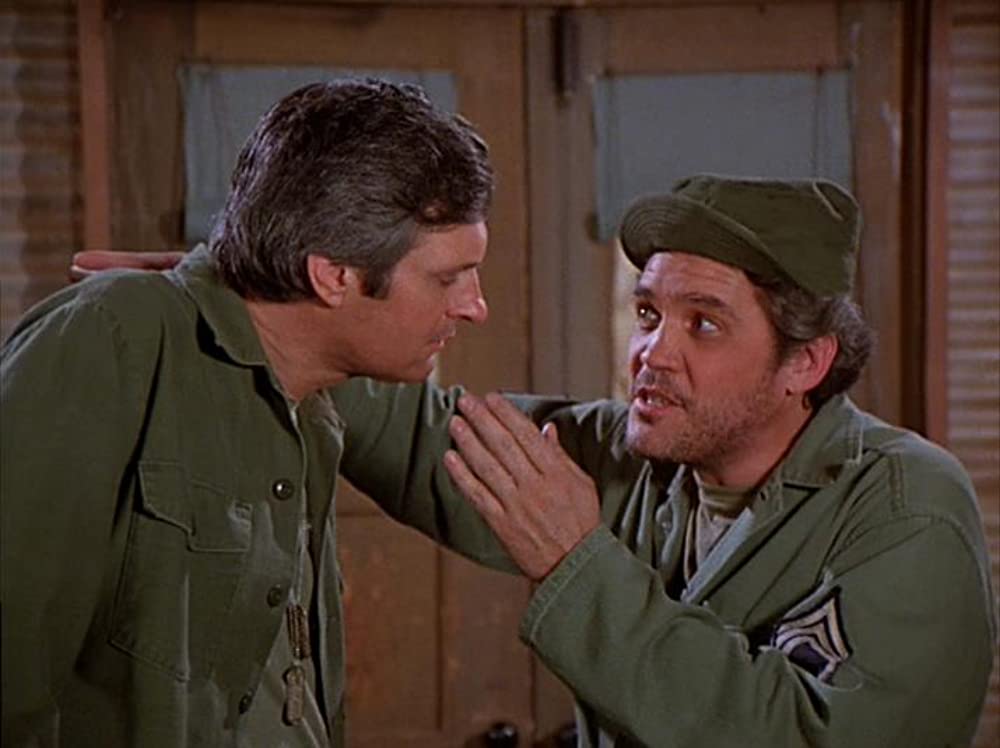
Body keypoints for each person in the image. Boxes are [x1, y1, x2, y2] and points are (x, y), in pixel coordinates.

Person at [53, 172, 997, 745]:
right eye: (649, 312)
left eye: (703, 324)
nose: (652, 353)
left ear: (806, 363)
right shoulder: (640, 457)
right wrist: (259, 306)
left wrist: (578, 561)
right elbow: (427, 433)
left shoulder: (904, 507)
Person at [1, 78, 496, 746]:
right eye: (447, 278)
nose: (474, 306)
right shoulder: (112, 338)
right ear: (334, 276)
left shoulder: (315, 396)